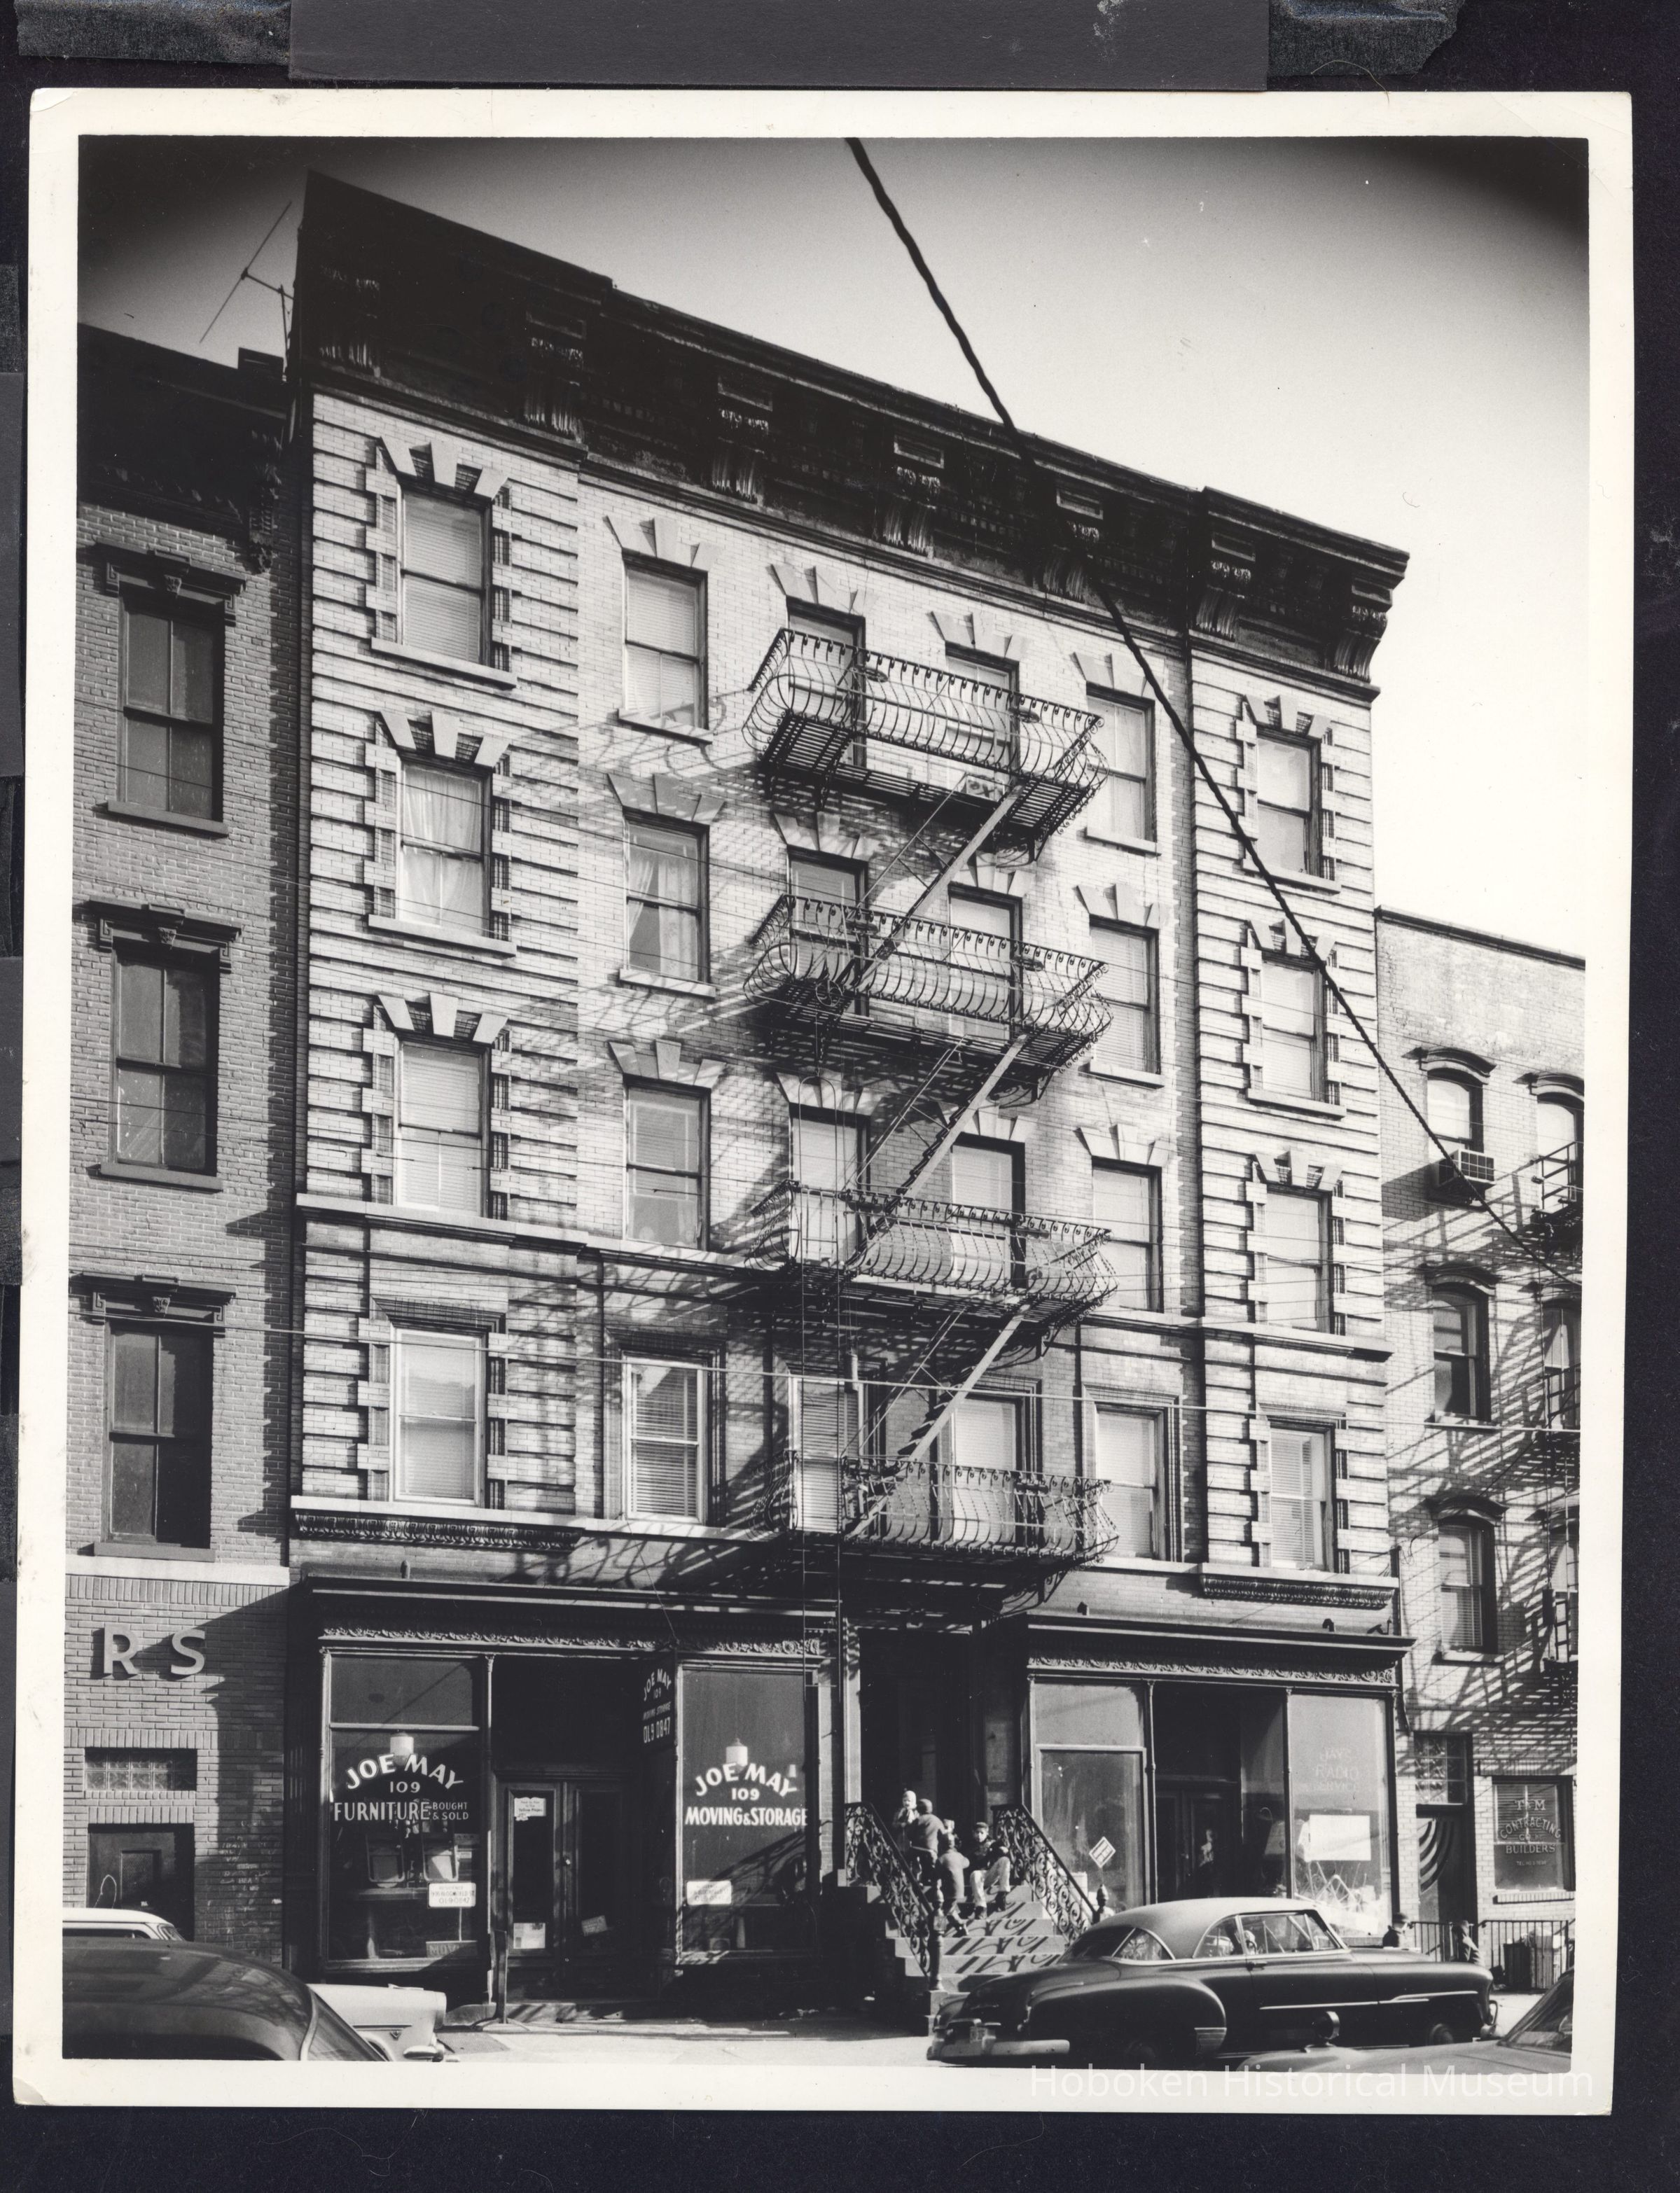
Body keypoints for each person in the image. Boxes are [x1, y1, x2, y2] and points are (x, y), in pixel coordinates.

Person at [964, 1820, 1012, 1914]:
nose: (979, 1835)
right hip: (976, 1876)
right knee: (976, 1874)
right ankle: (981, 1907)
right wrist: (979, 1851)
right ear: (973, 1833)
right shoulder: (969, 1844)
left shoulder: (993, 1843)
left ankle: (1002, 1894)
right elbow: (966, 1858)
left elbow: (1005, 1855)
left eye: (982, 1833)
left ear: (987, 1833)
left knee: (1005, 1860)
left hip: (990, 1874)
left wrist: (1004, 1850)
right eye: (977, 1832)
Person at [935, 1818, 971, 1936]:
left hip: (949, 1891)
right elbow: (967, 1863)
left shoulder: (941, 1859)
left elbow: (936, 1873)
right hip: (959, 1889)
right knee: (950, 1910)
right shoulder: (958, 1856)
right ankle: (961, 1928)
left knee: (942, 1911)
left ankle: (938, 1931)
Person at [905, 1797, 941, 1891]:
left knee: (908, 1863)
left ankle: (913, 1881)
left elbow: (910, 1834)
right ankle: (929, 1884)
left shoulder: (919, 1819)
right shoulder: (937, 1820)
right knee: (930, 1867)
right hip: (931, 1850)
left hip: (916, 1848)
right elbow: (943, 1835)